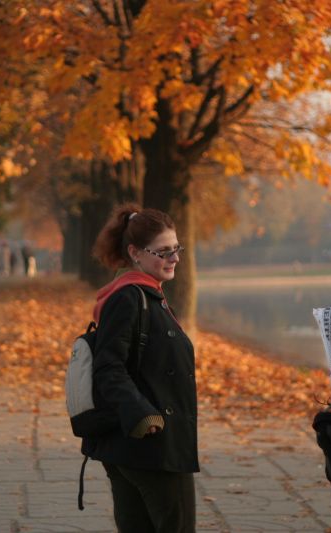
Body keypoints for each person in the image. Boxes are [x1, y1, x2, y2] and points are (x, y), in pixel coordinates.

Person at [84, 203, 198, 533]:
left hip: (136, 447)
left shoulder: (146, 295)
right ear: (135, 252)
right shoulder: (130, 298)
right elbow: (108, 367)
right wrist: (142, 415)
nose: (174, 258)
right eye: (163, 252)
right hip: (152, 447)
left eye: (176, 249)